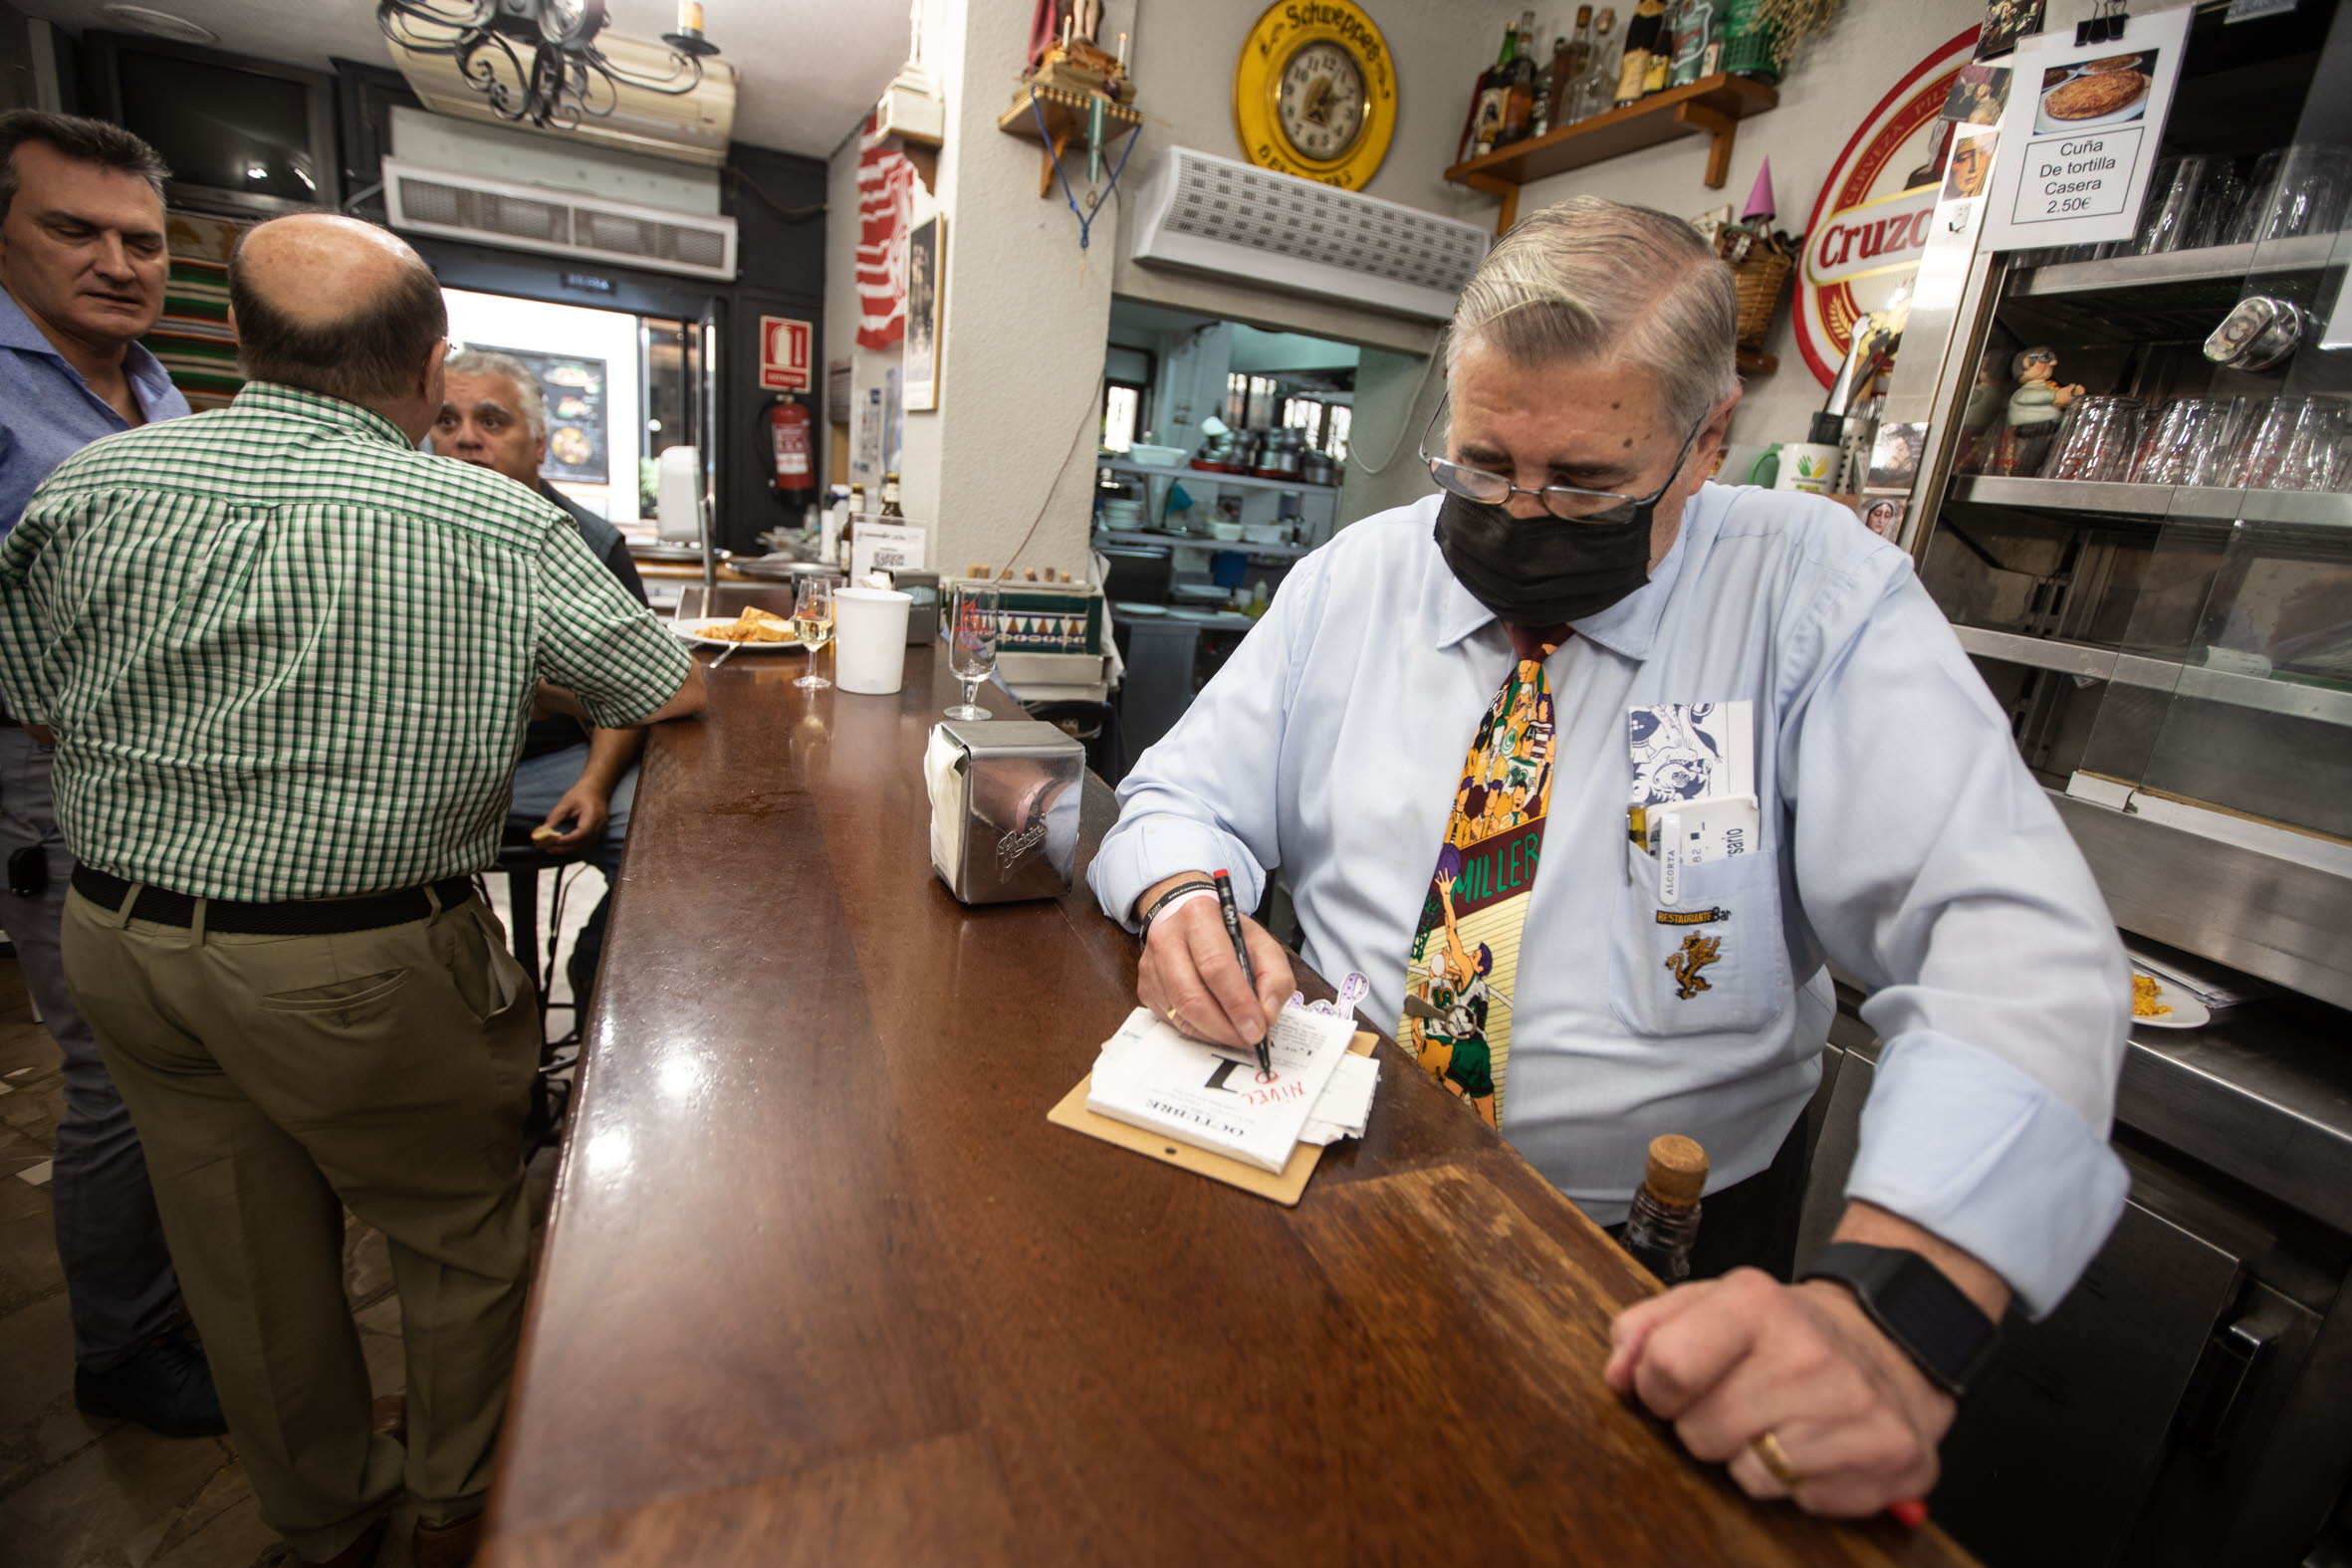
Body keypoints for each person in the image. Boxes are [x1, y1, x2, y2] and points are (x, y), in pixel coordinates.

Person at [1090, 196, 2129, 1520]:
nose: (1520, 512)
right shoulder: (1360, 578)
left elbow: (2010, 943)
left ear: (1707, 440)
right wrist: (1186, 892)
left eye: (1580, 481)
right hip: (1336, 1149)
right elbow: (1179, 794)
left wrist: (1900, 1309)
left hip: (1657, 1236)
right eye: (1480, 465)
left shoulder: (1811, 599)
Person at [0, 212, 705, 1568]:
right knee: (460, 1226)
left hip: (124, 939)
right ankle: (453, 1500)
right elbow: (658, 680)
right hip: (352, 961)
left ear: (241, 339)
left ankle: (322, 1513)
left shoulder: (87, 488)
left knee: (242, 1251)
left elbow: (35, 710)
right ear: (430, 368)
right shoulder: (489, 518)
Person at [0, 109, 220, 1439]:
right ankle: (121, 1348)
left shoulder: (155, 388)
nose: (117, 260)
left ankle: (173, 1295)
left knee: (180, 1054)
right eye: (72, 228)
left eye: (141, 238)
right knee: (112, 1070)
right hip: (59, 779)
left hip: (171, 774)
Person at [427, 348, 649, 1011]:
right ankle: (463, 1021)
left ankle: (599, 995)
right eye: (446, 419)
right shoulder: (395, 527)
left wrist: (595, 780)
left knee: (658, 833)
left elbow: (633, 691)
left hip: (546, 763)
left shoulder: (590, 541)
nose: (467, 437)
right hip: (424, 766)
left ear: (540, 445)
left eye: (491, 421)